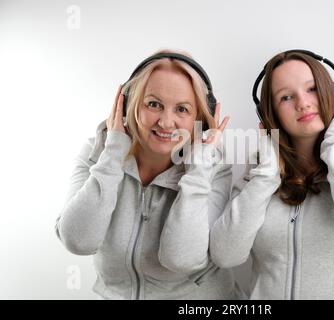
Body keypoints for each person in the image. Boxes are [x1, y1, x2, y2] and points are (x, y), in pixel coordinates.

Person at [210, 50, 334, 299]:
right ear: (270, 115)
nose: (302, 102)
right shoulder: (257, 175)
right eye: (286, 97)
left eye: (311, 89)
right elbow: (226, 254)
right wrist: (266, 175)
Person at [55, 50, 236, 299]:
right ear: (129, 104)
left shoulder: (213, 168)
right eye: (153, 104)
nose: (165, 122)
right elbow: (78, 241)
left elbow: (181, 258)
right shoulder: (99, 152)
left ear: (200, 120)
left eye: (182, 109)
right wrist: (114, 151)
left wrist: (198, 168)